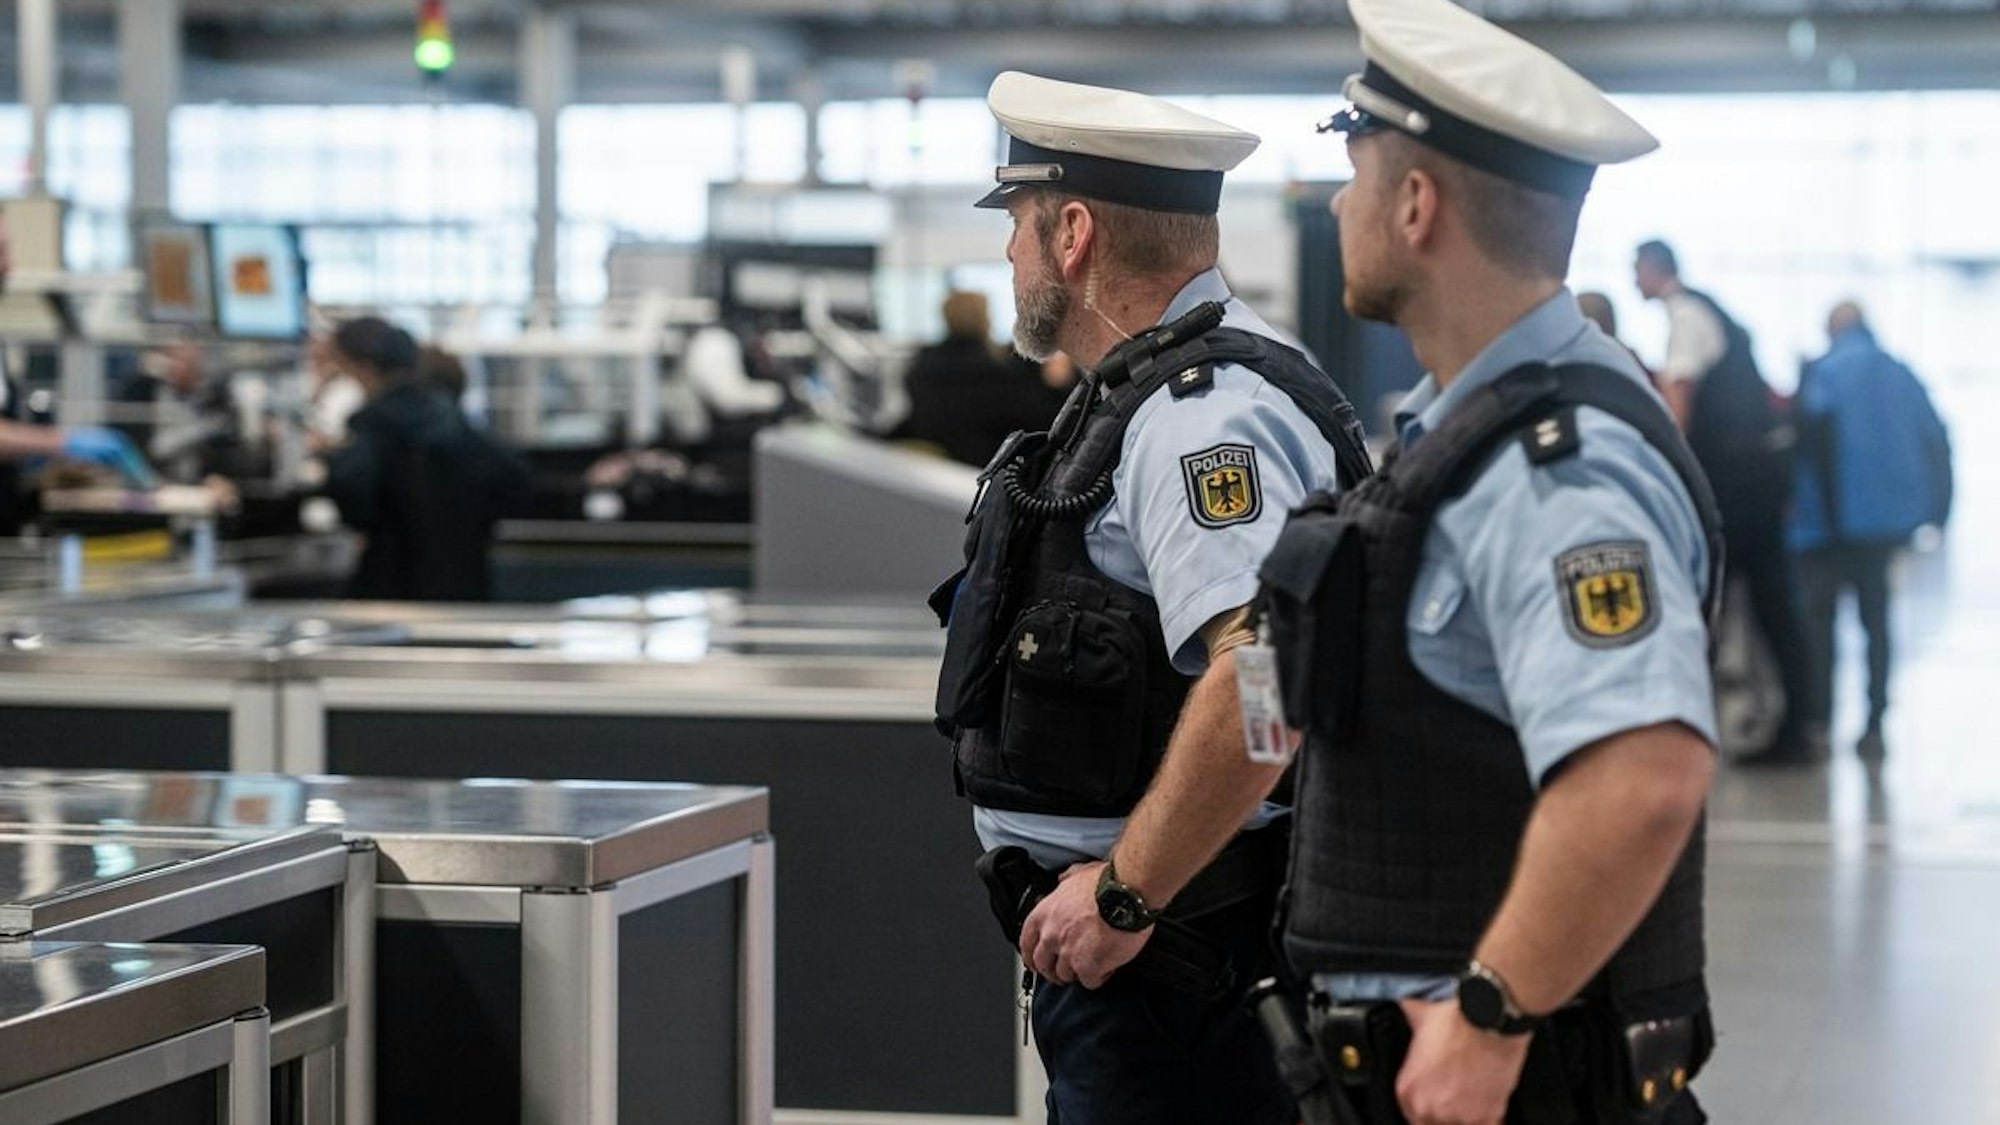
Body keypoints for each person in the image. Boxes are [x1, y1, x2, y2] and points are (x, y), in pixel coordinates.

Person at [1069, 1, 1720, 1121]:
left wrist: (1491, 1014)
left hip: (1509, 1080)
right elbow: (1290, 680)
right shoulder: (1448, 443)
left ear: (1415, 206)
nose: (1336, 204)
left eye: (1355, 175)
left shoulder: (1553, 471)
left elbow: (1643, 776)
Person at [931, 71, 1372, 1125]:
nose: (1007, 254)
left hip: (1182, 974)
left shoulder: (1197, 418)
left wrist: (1128, 891)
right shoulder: (1138, 395)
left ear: (1073, 233)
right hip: (1157, 964)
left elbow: (1265, 675)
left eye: (1019, 226)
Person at [1633, 238, 1813, 764]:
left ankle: (1691, 728)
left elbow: (1679, 399)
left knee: (1704, 602)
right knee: (1771, 606)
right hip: (1758, 480)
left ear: (1653, 268)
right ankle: (1796, 724)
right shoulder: (1709, 310)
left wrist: (1665, 468)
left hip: (1734, 486)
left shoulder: (1685, 314)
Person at [1790, 301, 1952, 760]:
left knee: (1821, 626)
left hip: (1826, 528)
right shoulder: (1899, 373)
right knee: (1875, 623)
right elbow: (1936, 439)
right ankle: (1875, 721)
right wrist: (1937, 512)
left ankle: (1819, 721)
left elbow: (1810, 443)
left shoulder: (1824, 372)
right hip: (1883, 526)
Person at [322, 317, 531, 601]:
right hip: (466, 584)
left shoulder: (373, 426)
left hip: (392, 586)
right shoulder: (453, 419)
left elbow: (352, 494)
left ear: (363, 368)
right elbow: (516, 481)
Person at [895, 290, 1061, 466]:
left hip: (937, 468)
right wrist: (1058, 384)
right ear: (984, 320)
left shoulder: (921, 370)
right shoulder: (997, 377)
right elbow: (1048, 422)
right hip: (982, 473)